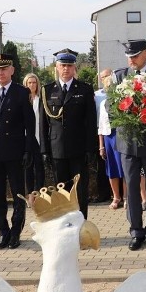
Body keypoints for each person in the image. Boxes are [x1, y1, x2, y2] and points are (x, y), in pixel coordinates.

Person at [0, 53, 36, 250]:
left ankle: (16, 230)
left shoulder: (21, 92)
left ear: (12, 71)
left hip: (15, 152)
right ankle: (3, 230)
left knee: (18, 194)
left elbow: (30, 125)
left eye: (3, 69)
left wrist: (28, 150)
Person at [114, 39, 146, 251]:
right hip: (128, 143)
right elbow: (111, 106)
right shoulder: (118, 77)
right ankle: (136, 232)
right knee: (132, 190)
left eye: (135, 56)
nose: (131, 60)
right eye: (129, 56)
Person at [41, 49, 97, 219]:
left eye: (69, 66)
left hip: (79, 149)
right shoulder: (47, 90)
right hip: (57, 149)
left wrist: (90, 149)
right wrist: (44, 150)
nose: (66, 69)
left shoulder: (85, 89)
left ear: (74, 68)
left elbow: (90, 122)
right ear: (56, 67)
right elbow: (43, 124)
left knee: (80, 191)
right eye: (62, 65)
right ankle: (65, 227)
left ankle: (81, 226)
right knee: (61, 192)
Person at [97, 68, 125, 209]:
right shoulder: (102, 103)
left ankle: (126, 197)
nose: (107, 84)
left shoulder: (123, 98)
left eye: (109, 79)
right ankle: (116, 197)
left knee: (125, 168)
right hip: (108, 137)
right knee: (112, 169)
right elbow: (101, 125)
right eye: (104, 80)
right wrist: (101, 146)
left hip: (122, 136)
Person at [22, 73, 47, 194]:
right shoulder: (22, 99)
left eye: (34, 82)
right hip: (26, 138)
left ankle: (39, 192)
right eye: (29, 83)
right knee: (28, 167)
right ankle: (29, 194)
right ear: (25, 84)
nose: (32, 85)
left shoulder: (41, 100)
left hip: (38, 137)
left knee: (39, 167)